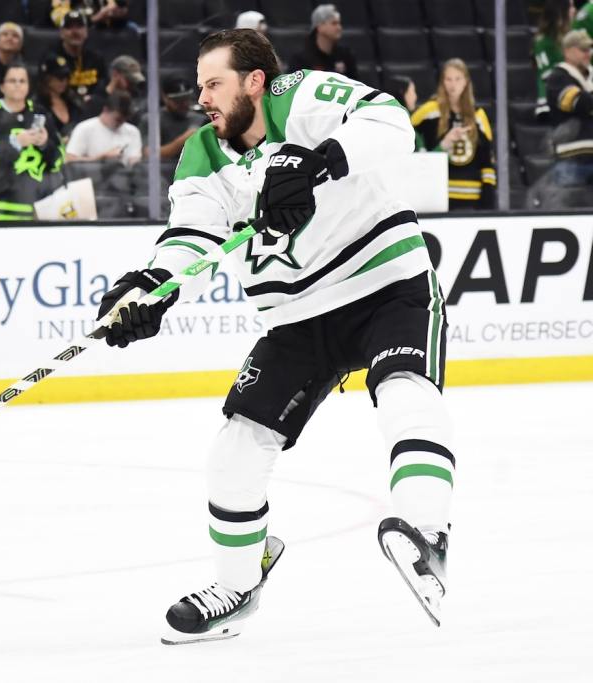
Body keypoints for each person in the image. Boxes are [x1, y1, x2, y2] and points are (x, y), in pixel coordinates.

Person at [94, 29, 453, 643]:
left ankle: (426, 532)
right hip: (295, 316)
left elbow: (392, 122)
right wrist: (151, 288)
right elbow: (194, 236)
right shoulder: (204, 152)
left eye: (215, 83)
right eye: (200, 85)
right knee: (233, 454)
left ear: (255, 81)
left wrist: (318, 161)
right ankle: (237, 584)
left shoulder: (303, 95)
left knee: (403, 390)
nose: (203, 97)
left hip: (384, 281)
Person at [0, 64, 63, 221]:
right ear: (2, 86)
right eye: (12, 81)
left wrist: (45, 144)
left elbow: (59, 159)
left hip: (34, 207)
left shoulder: (41, 114)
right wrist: (15, 143)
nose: (18, 85)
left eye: (22, 81)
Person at [412, 59, 496, 210]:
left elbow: (487, 161)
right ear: (442, 82)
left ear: (466, 82)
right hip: (439, 195)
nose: (453, 84)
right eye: (448, 79)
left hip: (472, 197)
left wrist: (488, 196)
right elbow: (408, 137)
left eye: (458, 79)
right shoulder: (429, 111)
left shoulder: (479, 115)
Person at [543, 29, 593, 199]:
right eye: (583, 50)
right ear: (568, 51)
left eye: (589, 50)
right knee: (569, 208)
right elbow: (577, 102)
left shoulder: (590, 77)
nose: (588, 54)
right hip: (571, 160)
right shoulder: (557, 77)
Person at [46, 10, 107, 118]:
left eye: (79, 27)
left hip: (93, 109)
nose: (75, 31)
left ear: (86, 32)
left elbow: (105, 84)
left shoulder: (97, 58)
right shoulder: (51, 59)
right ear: (61, 33)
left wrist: (94, 99)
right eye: (69, 27)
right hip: (63, 109)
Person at [65, 91, 141, 165]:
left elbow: (134, 160)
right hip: (92, 175)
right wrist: (101, 157)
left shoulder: (132, 131)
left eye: (124, 120)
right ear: (106, 110)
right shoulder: (84, 129)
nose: (120, 124)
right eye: (118, 119)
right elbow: (70, 160)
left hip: (124, 175)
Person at [139, 75, 204, 159]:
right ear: (165, 98)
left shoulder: (201, 120)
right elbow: (150, 155)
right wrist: (185, 138)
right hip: (164, 170)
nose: (184, 104)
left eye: (186, 99)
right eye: (178, 100)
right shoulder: (152, 121)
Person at [289, 4, 357, 81]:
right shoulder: (301, 59)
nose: (339, 27)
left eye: (339, 23)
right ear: (320, 26)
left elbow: (356, 84)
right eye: (334, 23)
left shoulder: (346, 55)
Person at [534, 0, 577, 120]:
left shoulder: (575, 35)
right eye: (571, 7)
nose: (574, 10)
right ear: (560, 13)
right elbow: (546, 76)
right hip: (554, 100)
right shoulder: (543, 42)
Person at [35, 54, 82, 140]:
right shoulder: (37, 105)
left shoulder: (73, 101)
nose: (64, 81)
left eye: (66, 77)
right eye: (59, 77)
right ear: (47, 78)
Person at [105, 54, 145, 122]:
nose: (132, 85)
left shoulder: (136, 97)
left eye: (134, 81)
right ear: (115, 74)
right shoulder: (99, 99)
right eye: (129, 80)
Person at [51, 0, 129, 31]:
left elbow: (120, 8)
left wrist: (120, 15)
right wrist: (96, 18)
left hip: (105, 40)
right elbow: (62, 20)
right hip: (69, 40)